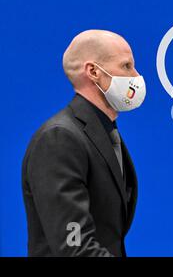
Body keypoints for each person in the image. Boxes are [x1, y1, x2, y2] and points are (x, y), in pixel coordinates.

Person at [22, 30, 146, 256]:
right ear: (94, 72)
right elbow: (74, 247)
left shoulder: (103, 132)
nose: (136, 76)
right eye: (126, 66)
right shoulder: (60, 139)